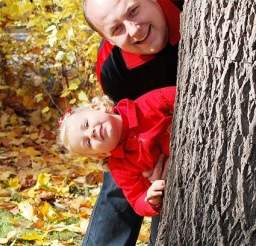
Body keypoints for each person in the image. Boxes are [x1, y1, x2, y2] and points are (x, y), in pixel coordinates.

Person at [52, 0, 183, 246]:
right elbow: (124, 128)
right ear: (105, 38)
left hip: (195, 126)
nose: (134, 31)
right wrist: (155, 165)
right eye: (116, 30)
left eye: (133, 12)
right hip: (157, 136)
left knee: (174, 195)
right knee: (123, 177)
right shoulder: (114, 70)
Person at [57, 86, 175, 217]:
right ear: (101, 154)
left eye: (86, 124)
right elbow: (137, 199)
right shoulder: (121, 167)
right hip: (178, 182)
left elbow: (179, 96)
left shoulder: (146, 105)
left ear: (98, 108)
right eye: (88, 142)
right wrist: (151, 198)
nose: (91, 133)